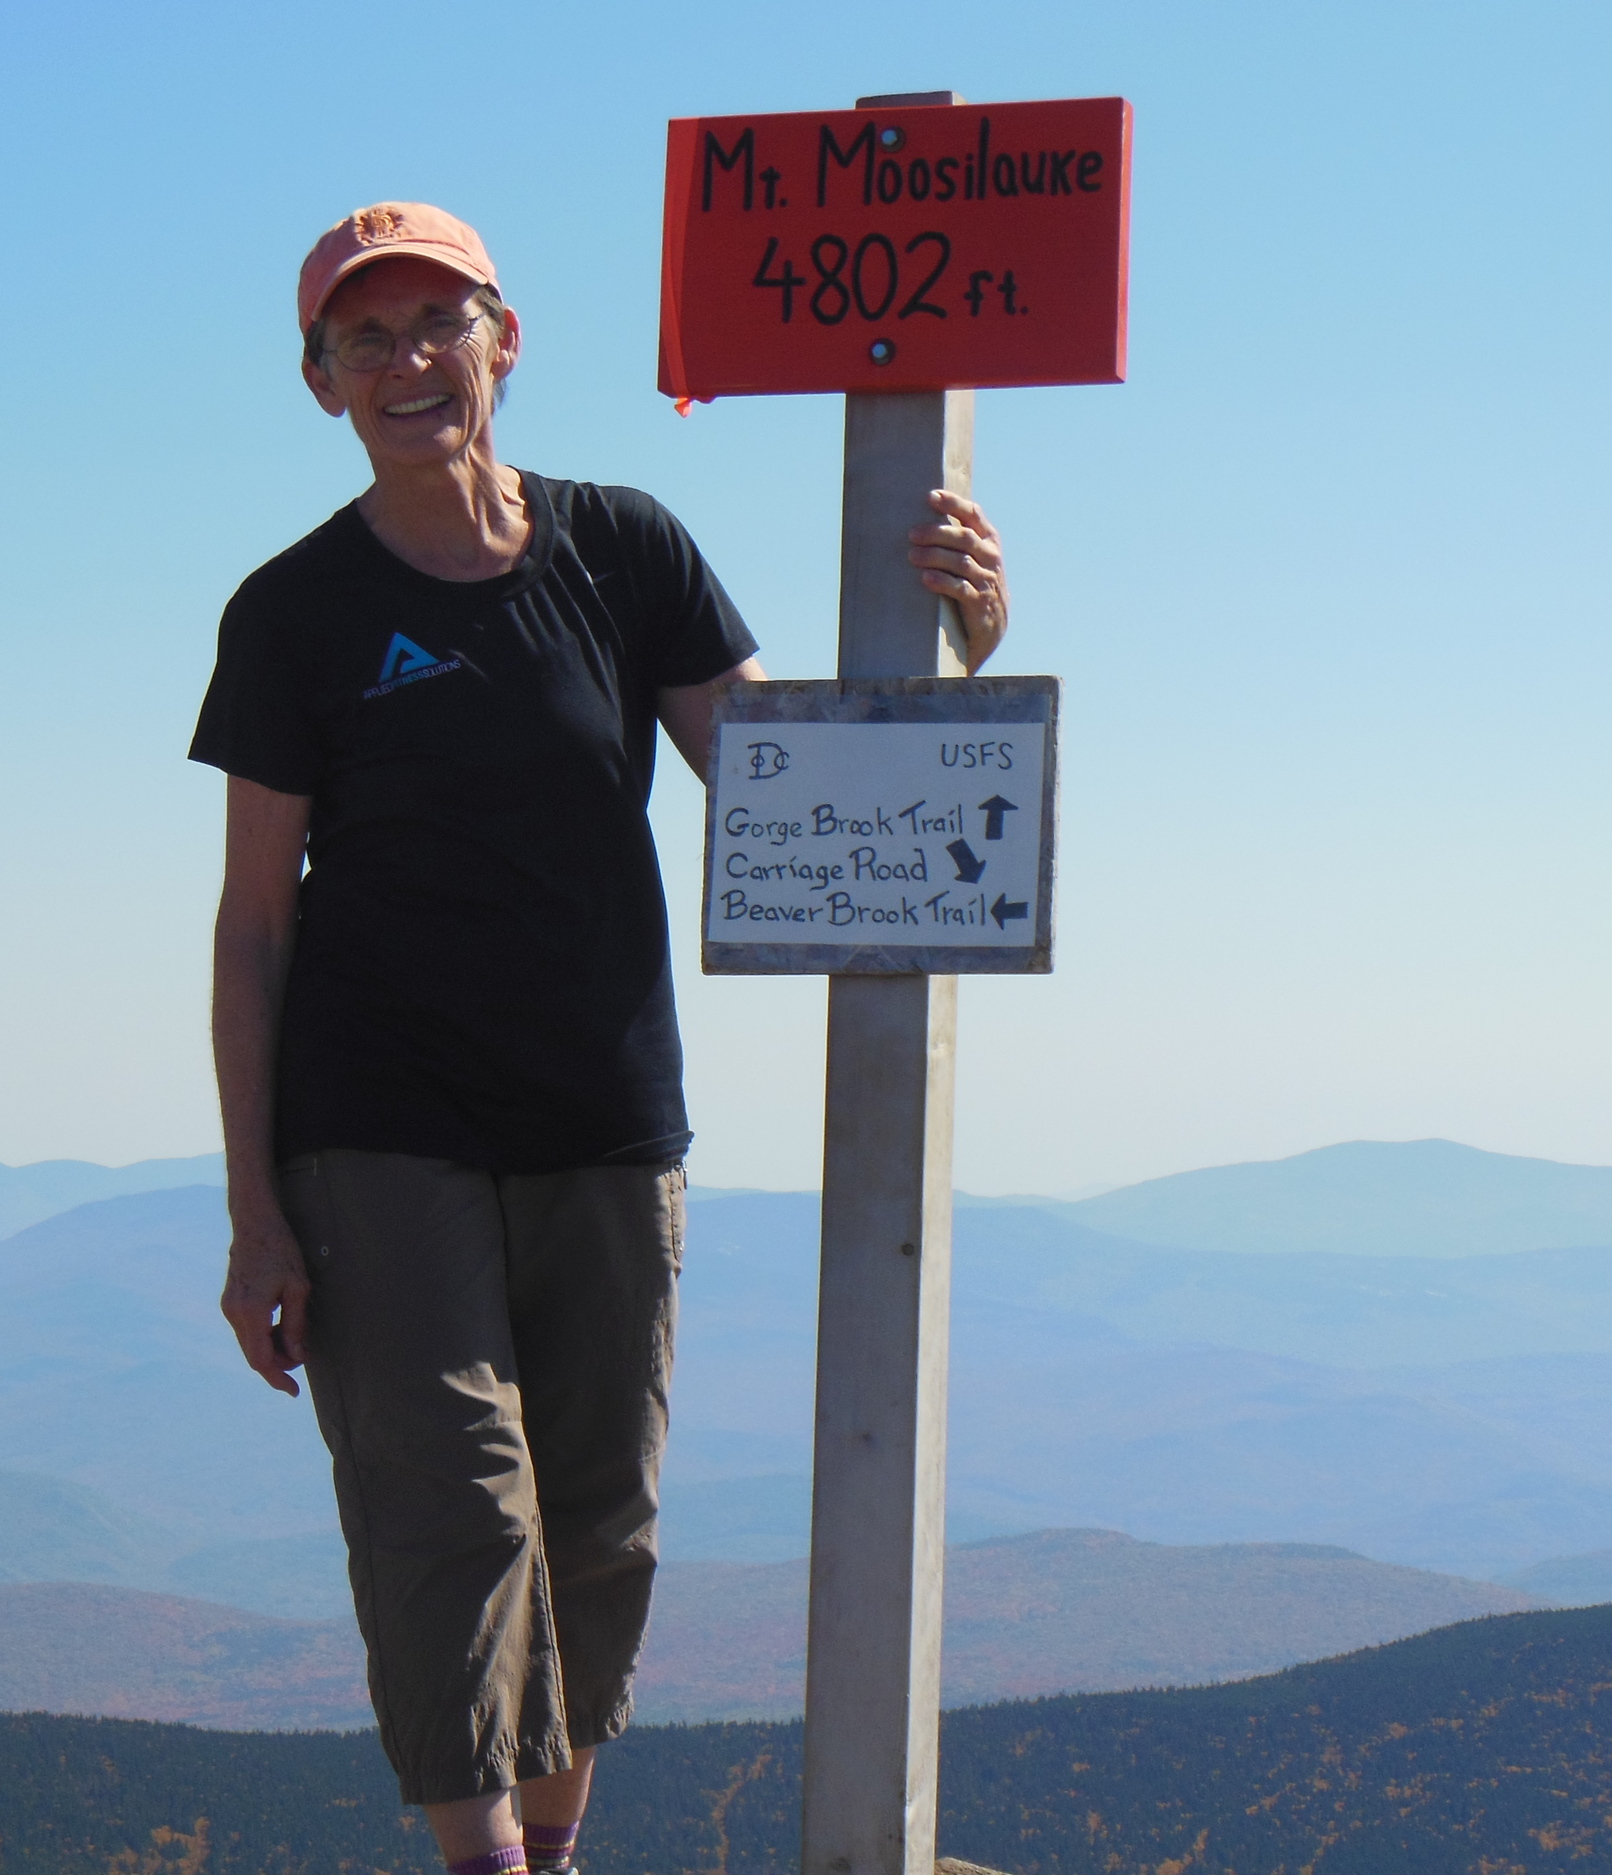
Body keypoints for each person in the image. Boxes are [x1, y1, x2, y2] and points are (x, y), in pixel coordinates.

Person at [188, 202, 1008, 1875]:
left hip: (609, 1120)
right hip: (377, 1132)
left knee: (598, 1518)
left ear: (505, 338)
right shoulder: (296, 610)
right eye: (367, 338)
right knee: (451, 1512)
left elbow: (789, 794)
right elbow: (255, 922)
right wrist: (257, 1208)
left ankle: (552, 1856)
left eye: (439, 323)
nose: (409, 361)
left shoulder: (620, 549)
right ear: (319, 380)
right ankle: (484, 1864)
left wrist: (965, 644)